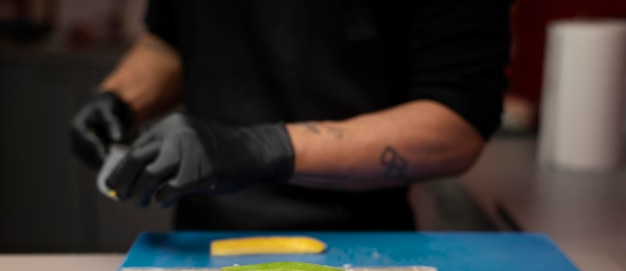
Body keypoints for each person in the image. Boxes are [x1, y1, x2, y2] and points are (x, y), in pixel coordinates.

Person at [70, 0, 511, 231]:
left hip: (363, 238)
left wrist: (261, 148)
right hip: (203, 234)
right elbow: (172, 39)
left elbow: (456, 122)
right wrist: (119, 98)